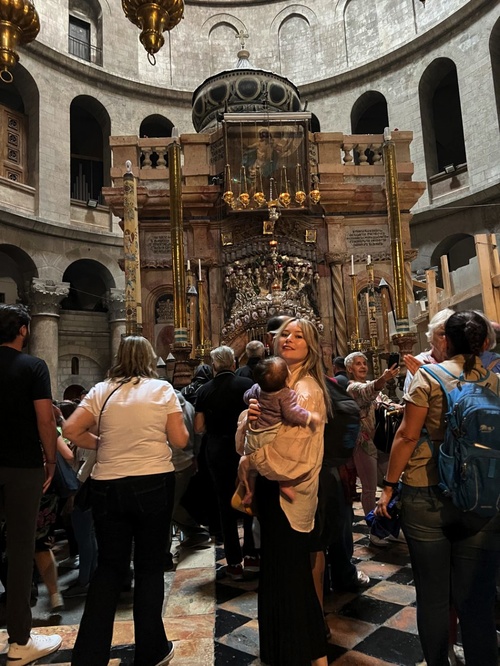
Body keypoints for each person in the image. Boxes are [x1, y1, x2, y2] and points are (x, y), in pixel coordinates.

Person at [376, 311, 500, 666]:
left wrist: (389, 486)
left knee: (433, 597)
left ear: (447, 340)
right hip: (480, 493)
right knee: (476, 598)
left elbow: (406, 435)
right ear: (484, 343)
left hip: (426, 490)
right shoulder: (494, 380)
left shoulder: (427, 376)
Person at [63, 335, 188, 666]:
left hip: (108, 486)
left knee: (109, 567)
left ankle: (89, 656)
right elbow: (179, 439)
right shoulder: (161, 390)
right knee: (149, 567)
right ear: (148, 358)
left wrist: (104, 441)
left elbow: (71, 430)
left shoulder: (101, 390)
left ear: (120, 357)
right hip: (153, 482)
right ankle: (151, 650)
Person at [238, 317, 329, 666]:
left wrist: (252, 458)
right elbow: (244, 437)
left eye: (299, 336)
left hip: (287, 493)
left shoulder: (305, 389)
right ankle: (295, 651)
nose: (289, 339)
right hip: (270, 489)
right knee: (281, 574)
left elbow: (294, 453)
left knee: (289, 576)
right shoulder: (272, 382)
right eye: (285, 334)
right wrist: (249, 421)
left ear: (311, 346)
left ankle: (298, 653)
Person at [0, 303, 62, 665]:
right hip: (22, 467)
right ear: (23, 329)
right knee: (21, 550)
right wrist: (51, 459)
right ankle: (20, 642)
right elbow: (44, 420)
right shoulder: (33, 367)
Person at [194, 346, 257, 580]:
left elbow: (198, 427)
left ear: (213, 366)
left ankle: (233, 563)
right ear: (233, 363)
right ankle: (252, 556)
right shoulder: (247, 386)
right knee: (249, 496)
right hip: (245, 448)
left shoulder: (204, 390)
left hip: (217, 450)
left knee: (224, 503)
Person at [241, 356, 321, 505]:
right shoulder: (285, 394)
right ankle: (285, 484)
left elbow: (246, 397)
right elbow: (292, 413)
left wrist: (252, 400)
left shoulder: (257, 388)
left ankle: (249, 492)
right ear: (286, 379)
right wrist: (310, 417)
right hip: (270, 435)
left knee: (252, 471)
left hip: (253, 435)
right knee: (282, 463)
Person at [345, 352, 400, 531]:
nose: (363, 366)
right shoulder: (352, 388)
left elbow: (386, 402)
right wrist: (383, 378)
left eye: (364, 363)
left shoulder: (373, 387)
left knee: (390, 482)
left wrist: (402, 407)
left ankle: (388, 522)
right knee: (369, 488)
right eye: (358, 364)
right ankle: (374, 528)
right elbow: (367, 391)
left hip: (380, 441)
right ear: (349, 369)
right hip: (363, 442)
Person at [403, 308, 454, 392]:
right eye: (442, 334)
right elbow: (412, 397)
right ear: (431, 337)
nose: (448, 340)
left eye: (452, 334)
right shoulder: (418, 363)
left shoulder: (462, 361)